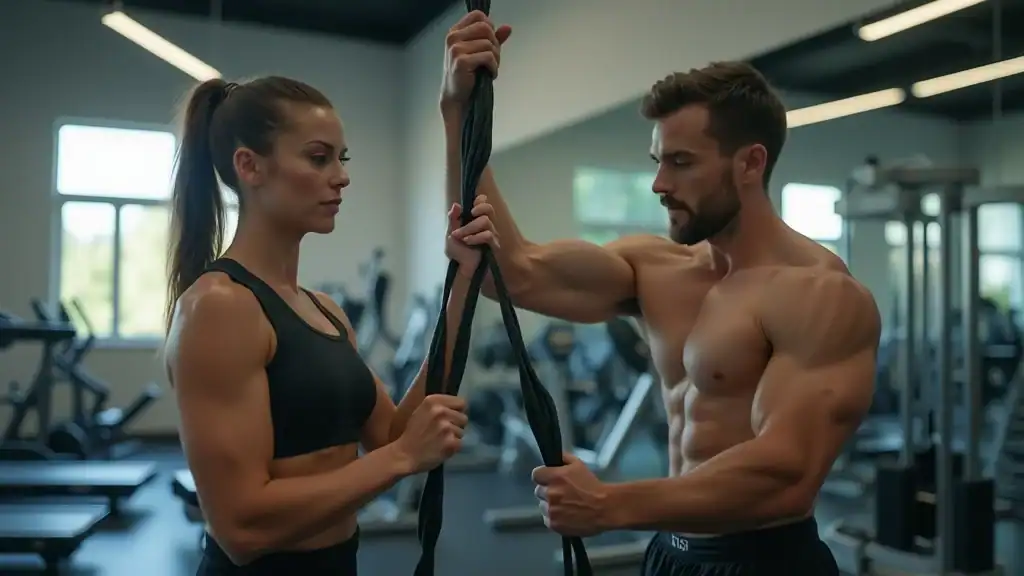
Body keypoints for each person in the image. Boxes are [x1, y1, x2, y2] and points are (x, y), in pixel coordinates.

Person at [441, 12, 880, 576]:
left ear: (750, 163)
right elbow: (512, 269)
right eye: (657, 162)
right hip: (669, 555)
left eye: (681, 162)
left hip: (765, 560)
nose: (658, 184)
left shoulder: (818, 293)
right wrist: (458, 111)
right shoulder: (657, 267)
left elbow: (788, 474)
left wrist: (609, 504)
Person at [163, 76, 499, 576]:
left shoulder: (324, 310)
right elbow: (240, 527)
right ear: (249, 165)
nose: (340, 177)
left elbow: (388, 433)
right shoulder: (219, 307)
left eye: (342, 159)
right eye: (319, 158)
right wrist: (404, 457)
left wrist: (462, 287)